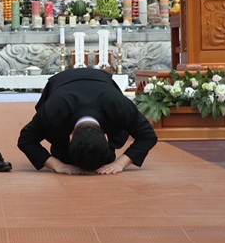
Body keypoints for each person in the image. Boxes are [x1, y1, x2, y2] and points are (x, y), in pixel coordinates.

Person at [17, 68, 157, 175]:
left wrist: (121, 163)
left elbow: (148, 136)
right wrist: (56, 165)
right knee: (63, 157)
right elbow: (26, 139)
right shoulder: (54, 109)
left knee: (107, 158)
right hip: (62, 82)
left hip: (101, 82)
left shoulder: (117, 105)